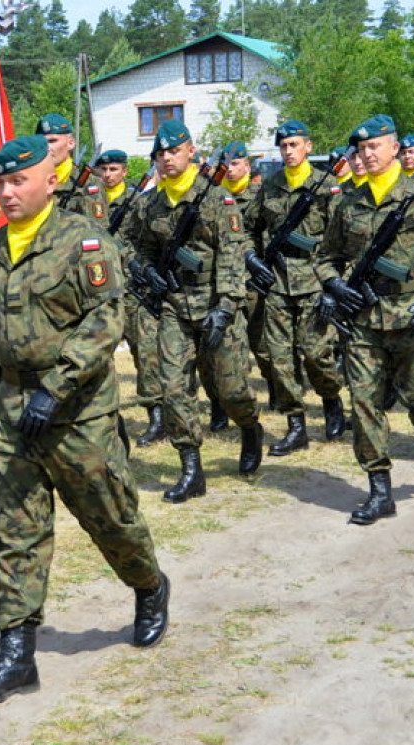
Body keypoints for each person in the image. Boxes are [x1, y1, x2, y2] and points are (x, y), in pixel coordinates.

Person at [0, 135, 168, 706]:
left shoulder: (84, 240)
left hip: (78, 413)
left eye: (18, 181)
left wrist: (59, 384)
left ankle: (148, 584)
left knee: (110, 515)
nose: (6, 192)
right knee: (14, 532)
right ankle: (17, 655)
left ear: (50, 181)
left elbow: (105, 319)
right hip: (11, 410)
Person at [316, 115, 414, 525]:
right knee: (364, 405)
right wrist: (335, 285)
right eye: (362, 149)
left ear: (396, 148)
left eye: (375, 146)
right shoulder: (348, 203)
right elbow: (325, 257)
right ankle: (379, 490)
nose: (367, 154)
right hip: (364, 319)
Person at [132, 119, 264, 503]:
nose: (167, 159)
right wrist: (145, 269)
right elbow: (130, 244)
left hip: (215, 303)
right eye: (160, 154)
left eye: (173, 151)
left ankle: (250, 426)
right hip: (174, 306)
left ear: (191, 151)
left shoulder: (216, 198)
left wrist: (225, 308)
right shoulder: (150, 203)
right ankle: (191, 467)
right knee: (174, 388)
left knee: (230, 388)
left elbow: (232, 255)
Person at [245, 119, 346, 456]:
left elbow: (343, 238)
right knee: (280, 359)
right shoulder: (270, 185)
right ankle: (295, 425)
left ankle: (332, 401)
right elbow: (248, 226)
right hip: (277, 282)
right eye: (284, 146)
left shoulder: (326, 186)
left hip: (315, 281)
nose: (288, 151)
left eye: (294, 145)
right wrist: (252, 257)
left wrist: (335, 286)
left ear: (308, 147)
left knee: (316, 353)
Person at [96, 149, 165, 446]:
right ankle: (104, 420)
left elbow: (146, 242)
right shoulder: (90, 201)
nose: (109, 174)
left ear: (124, 171)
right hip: (100, 289)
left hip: (133, 289)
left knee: (145, 353)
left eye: (114, 169)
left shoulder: (140, 202)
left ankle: (157, 415)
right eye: (104, 169)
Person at [220, 139, 273, 423]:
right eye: (227, 164)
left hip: (252, 279)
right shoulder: (215, 197)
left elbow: (261, 235)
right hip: (227, 282)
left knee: (261, 343)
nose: (230, 169)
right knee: (232, 347)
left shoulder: (258, 196)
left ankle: (275, 386)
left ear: (247, 166)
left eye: (236, 163)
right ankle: (236, 401)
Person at [35, 113, 108, 222]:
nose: (47, 147)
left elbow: (97, 230)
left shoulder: (88, 183)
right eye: (42, 142)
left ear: (71, 143)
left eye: (52, 141)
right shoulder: (32, 182)